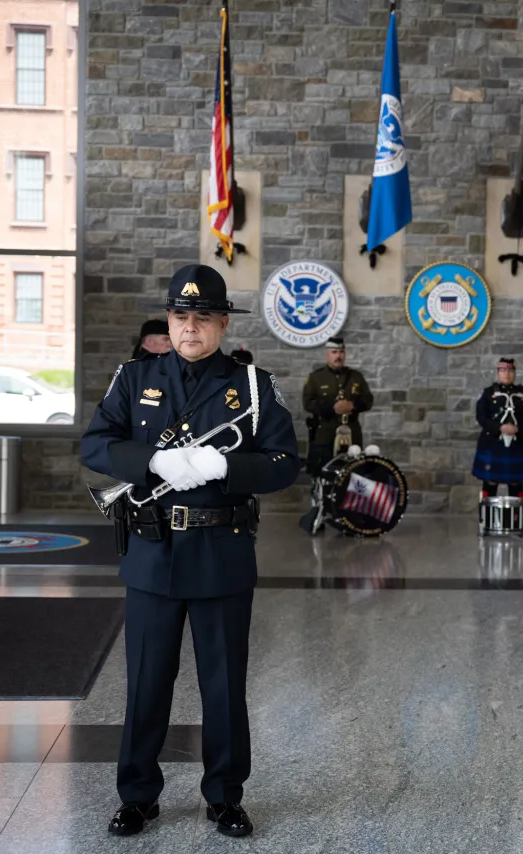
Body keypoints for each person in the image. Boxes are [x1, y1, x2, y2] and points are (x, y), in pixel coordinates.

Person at [81, 263, 300, 839]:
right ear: (170, 320)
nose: (191, 328)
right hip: (152, 552)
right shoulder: (134, 377)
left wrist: (225, 464)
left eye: (203, 317)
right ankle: (138, 797)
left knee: (223, 686)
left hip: (222, 554)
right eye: (181, 316)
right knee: (147, 682)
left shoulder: (253, 386)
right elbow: (96, 443)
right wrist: (150, 460)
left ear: (223, 324)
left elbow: (284, 464)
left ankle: (225, 796)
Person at [301, 337, 373, 476]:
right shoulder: (316, 378)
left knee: (352, 476)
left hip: (352, 436)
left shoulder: (356, 377)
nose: (338, 356)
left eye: (341, 352)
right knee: (323, 477)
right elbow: (308, 403)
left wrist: (352, 405)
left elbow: (368, 400)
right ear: (327, 355)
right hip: (325, 436)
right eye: (334, 352)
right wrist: (331, 408)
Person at [472, 357, 523, 499]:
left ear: (515, 373)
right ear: (498, 372)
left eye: (510, 370)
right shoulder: (488, 393)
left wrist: (518, 429)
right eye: (503, 370)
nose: (507, 374)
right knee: (489, 485)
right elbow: (481, 417)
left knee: (516, 486)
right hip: (492, 444)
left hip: (518, 444)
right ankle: (487, 520)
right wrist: (500, 427)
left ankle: (515, 520)